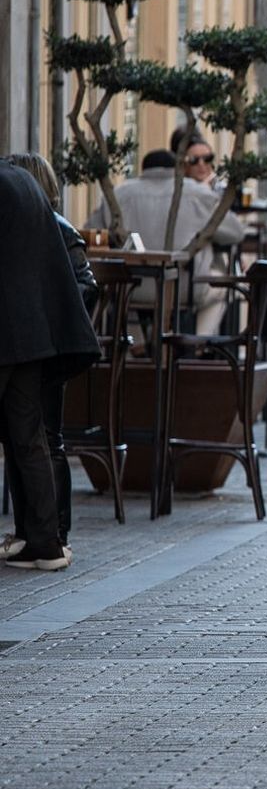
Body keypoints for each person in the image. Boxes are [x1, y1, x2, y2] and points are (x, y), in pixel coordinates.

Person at [0, 159, 98, 570]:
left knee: (28, 435)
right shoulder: (22, 182)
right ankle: (46, 543)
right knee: (29, 435)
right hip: (31, 331)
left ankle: (42, 540)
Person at [87, 149, 246, 333]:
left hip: (131, 287)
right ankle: (197, 342)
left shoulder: (120, 194)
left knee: (118, 291)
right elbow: (235, 232)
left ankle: (134, 346)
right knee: (223, 289)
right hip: (186, 288)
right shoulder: (198, 194)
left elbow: (91, 232)